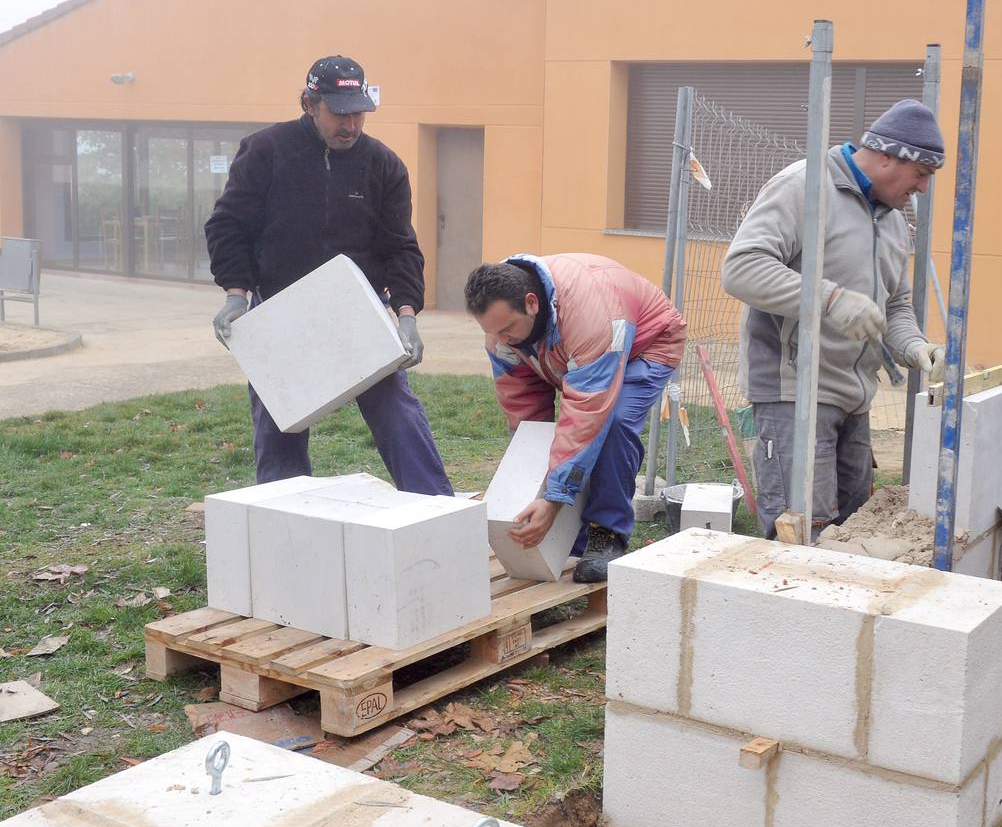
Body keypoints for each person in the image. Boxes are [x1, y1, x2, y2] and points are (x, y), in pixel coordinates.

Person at [204, 55, 452, 496]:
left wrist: (407, 314)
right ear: (308, 103)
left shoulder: (384, 165)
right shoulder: (265, 151)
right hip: (279, 309)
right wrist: (236, 294)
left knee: (396, 409)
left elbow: (400, 246)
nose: (351, 125)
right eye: (340, 113)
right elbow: (229, 225)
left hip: (357, 311)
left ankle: (435, 509)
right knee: (280, 419)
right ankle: (284, 520)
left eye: (358, 112)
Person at [723, 98, 947, 539]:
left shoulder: (893, 219)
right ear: (887, 157)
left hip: (854, 398)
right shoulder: (804, 187)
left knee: (850, 531)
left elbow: (895, 304)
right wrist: (830, 299)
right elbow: (742, 268)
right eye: (921, 174)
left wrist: (915, 347)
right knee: (804, 533)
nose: (922, 188)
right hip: (794, 393)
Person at [465, 254, 686, 583]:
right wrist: (533, 483)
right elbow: (522, 407)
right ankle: (572, 538)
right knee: (549, 437)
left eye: (507, 329)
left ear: (531, 303)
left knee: (613, 424)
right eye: (493, 332)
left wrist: (552, 501)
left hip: (644, 344)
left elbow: (587, 412)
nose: (501, 340)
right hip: (569, 353)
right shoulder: (502, 333)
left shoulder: (592, 314)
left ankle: (606, 533)